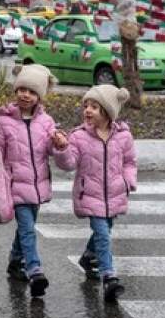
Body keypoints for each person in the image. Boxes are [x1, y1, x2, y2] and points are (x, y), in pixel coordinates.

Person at [0, 64, 63, 298]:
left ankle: (15, 260)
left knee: (25, 228)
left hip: (38, 185)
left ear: (39, 96)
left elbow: (49, 149)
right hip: (15, 184)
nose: (25, 95)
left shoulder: (46, 121)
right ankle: (34, 269)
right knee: (28, 228)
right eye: (21, 90)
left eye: (31, 91)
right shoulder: (3, 120)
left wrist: (58, 143)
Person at [54, 85, 135, 304]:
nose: (88, 110)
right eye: (86, 106)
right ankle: (109, 277)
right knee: (102, 233)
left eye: (95, 107)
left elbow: (129, 162)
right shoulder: (79, 137)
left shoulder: (123, 136)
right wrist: (62, 149)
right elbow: (70, 164)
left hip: (114, 193)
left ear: (108, 113)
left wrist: (128, 181)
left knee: (105, 230)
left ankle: (88, 257)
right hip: (90, 193)